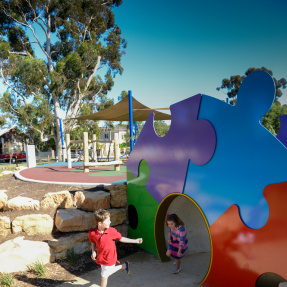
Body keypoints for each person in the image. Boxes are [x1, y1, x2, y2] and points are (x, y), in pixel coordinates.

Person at [89, 209, 143, 287]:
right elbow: (93, 242)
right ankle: (124, 265)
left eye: (109, 220)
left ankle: (123, 266)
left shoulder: (111, 231)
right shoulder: (92, 233)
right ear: (99, 223)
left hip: (110, 257)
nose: (110, 222)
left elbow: (122, 238)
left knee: (104, 276)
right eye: (107, 221)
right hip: (101, 258)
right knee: (105, 273)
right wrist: (93, 251)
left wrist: (135, 241)